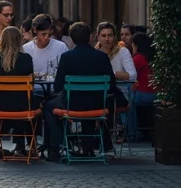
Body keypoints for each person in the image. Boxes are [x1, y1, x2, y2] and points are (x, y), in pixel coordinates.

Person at [43, 22, 124, 162]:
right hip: (98, 104)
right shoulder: (102, 56)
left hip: (72, 104)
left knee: (49, 106)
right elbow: (111, 85)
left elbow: (57, 86)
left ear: (72, 39)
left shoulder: (67, 57)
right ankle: (88, 147)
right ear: (91, 37)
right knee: (88, 99)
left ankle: (55, 148)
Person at [0, 26, 37, 156]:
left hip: (0, 104)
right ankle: (29, 146)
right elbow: (31, 83)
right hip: (23, 104)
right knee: (37, 105)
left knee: (14, 105)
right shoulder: (26, 58)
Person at [127, 32, 156, 141]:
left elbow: (129, 75)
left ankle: (131, 134)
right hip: (157, 94)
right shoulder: (152, 57)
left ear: (135, 45)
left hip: (146, 94)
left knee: (127, 100)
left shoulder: (138, 58)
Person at [22, 14, 69, 78]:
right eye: (43, 34)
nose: (46, 37)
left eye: (49, 34)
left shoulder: (61, 47)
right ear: (35, 30)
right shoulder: (26, 49)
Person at [95, 21, 137, 91]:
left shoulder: (123, 51)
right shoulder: (94, 53)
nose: (107, 39)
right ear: (98, 37)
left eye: (110, 35)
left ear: (114, 37)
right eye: (103, 36)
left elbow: (133, 75)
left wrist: (112, 74)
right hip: (98, 93)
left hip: (119, 92)